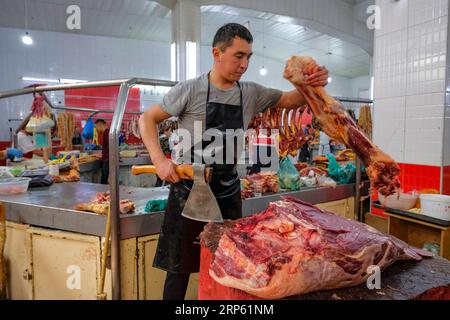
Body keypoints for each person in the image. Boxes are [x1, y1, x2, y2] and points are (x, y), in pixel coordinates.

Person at [138, 23, 329, 300]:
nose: (244, 63)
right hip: (188, 188)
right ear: (217, 52)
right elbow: (147, 119)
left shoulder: (250, 92)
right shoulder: (190, 90)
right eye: (238, 55)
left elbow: (291, 99)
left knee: (232, 262)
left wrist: (313, 80)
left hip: (228, 189)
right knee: (178, 268)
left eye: (249, 57)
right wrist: (159, 160)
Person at [94, 119, 109, 184]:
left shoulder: (107, 132)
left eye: (96, 127)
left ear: (100, 125)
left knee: (104, 177)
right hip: (107, 158)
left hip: (107, 159)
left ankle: (103, 192)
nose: (96, 130)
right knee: (104, 176)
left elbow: (110, 145)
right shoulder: (107, 132)